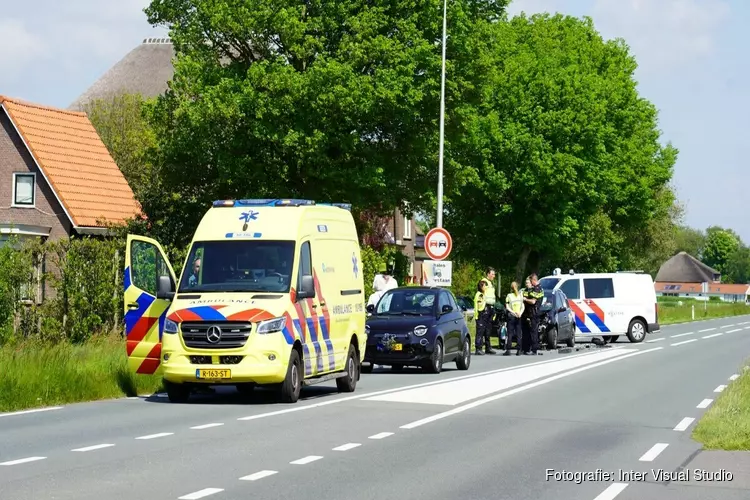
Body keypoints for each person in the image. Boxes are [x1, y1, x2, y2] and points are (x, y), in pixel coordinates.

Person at [522, 273, 545, 355]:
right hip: (532, 312)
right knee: (531, 331)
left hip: (534, 312)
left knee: (533, 331)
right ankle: (529, 348)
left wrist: (524, 299)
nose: (530, 283)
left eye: (531, 281)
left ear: (534, 280)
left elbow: (533, 301)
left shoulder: (537, 289)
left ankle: (534, 349)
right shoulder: (539, 288)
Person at [503, 281, 525, 356]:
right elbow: (523, 306)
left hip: (512, 316)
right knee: (519, 333)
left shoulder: (509, 296)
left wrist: (513, 312)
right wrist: (520, 313)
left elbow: (507, 307)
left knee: (510, 333)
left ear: (511, 288)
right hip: (519, 316)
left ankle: (508, 349)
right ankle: (519, 350)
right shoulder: (520, 295)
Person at [479, 267, 497, 354]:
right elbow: (481, 293)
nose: (494, 276)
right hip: (485, 307)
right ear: (488, 274)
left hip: (491, 307)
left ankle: (488, 347)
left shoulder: (490, 283)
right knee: (482, 328)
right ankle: (479, 347)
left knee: (488, 328)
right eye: (492, 274)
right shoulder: (484, 282)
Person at [474, 280, 489, 355]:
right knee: (479, 332)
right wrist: (482, 312)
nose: (486, 287)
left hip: (482, 315)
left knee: (482, 331)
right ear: (481, 287)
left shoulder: (482, 294)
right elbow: (479, 305)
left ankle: (480, 347)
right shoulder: (480, 295)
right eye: (484, 286)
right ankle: (478, 348)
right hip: (480, 315)